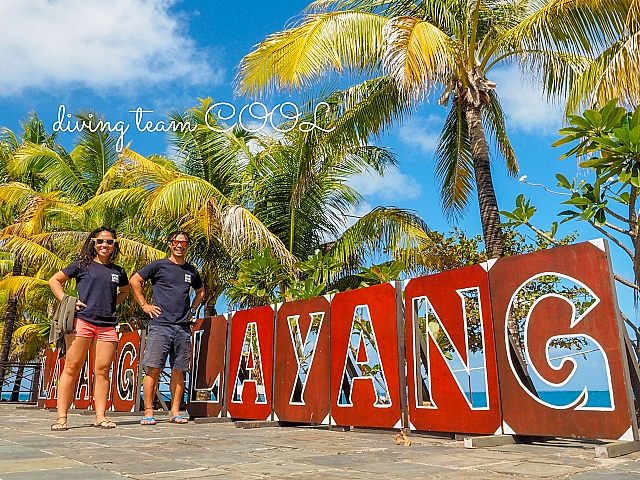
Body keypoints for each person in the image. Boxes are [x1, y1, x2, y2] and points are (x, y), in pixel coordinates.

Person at [48, 226, 130, 431]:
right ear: (93, 243)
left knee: (102, 371)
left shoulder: (118, 271)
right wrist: (68, 300)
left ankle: (100, 417)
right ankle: (61, 418)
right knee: (71, 368)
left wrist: (111, 303)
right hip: (82, 322)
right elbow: (54, 280)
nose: (105, 245)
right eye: (100, 241)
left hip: (108, 325)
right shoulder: (81, 266)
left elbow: (125, 291)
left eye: (109, 242)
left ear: (114, 245)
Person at [130, 231, 204, 425]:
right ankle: (148, 411)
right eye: (176, 242)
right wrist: (145, 305)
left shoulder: (191, 271)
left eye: (183, 243)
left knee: (179, 370)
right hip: (160, 324)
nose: (179, 245)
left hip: (182, 327)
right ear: (170, 244)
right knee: (153, 369)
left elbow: (200, 291)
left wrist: (193, 309)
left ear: (188, 246)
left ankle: (175, 412)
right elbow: (134, 280)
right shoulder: (159, 265)